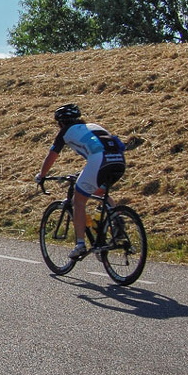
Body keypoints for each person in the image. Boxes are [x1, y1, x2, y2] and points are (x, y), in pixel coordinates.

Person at [35, 103, 127, 259]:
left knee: (79, 200)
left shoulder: (65, 132)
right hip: (119, 161)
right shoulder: (94, 126)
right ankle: (115, 221)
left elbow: (52, 156)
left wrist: (42, 175)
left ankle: (80, 244)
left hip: (100, 161)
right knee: (99, 191)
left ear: (61, 122)